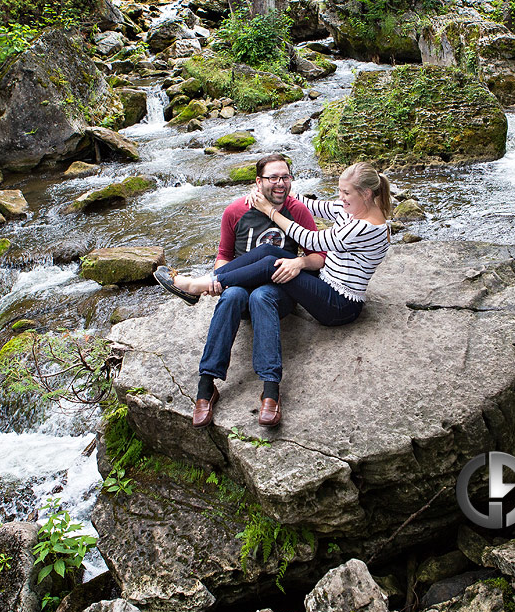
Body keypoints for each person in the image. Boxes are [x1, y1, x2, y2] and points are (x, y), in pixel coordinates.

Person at [158, 162, 392, 427]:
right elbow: (315, 205)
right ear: (259, 182)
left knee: (268, 276)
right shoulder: (349, 209)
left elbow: (314, 243)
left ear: (367, 194)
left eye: (345, 193)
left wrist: (274, 217)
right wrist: (272, 196)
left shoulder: (365, 228)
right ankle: (206, 379)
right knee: (256, 269)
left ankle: (197, 287)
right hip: (318, 285)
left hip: (340, 302)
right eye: (273, 178)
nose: (340, 197)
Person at [154, 154, 325, 429]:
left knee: (262, 296)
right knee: (233, 295)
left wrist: (299, 262)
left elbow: (319, 256)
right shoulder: (236, 210)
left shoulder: (298, 210)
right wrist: (218, 280)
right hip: (239, 287)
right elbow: (223, 255)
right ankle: (206, 385)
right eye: (273, 178)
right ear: (259, 182)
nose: (280, 184)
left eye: (285, 177)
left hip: (279, 292)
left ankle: (271, 390)